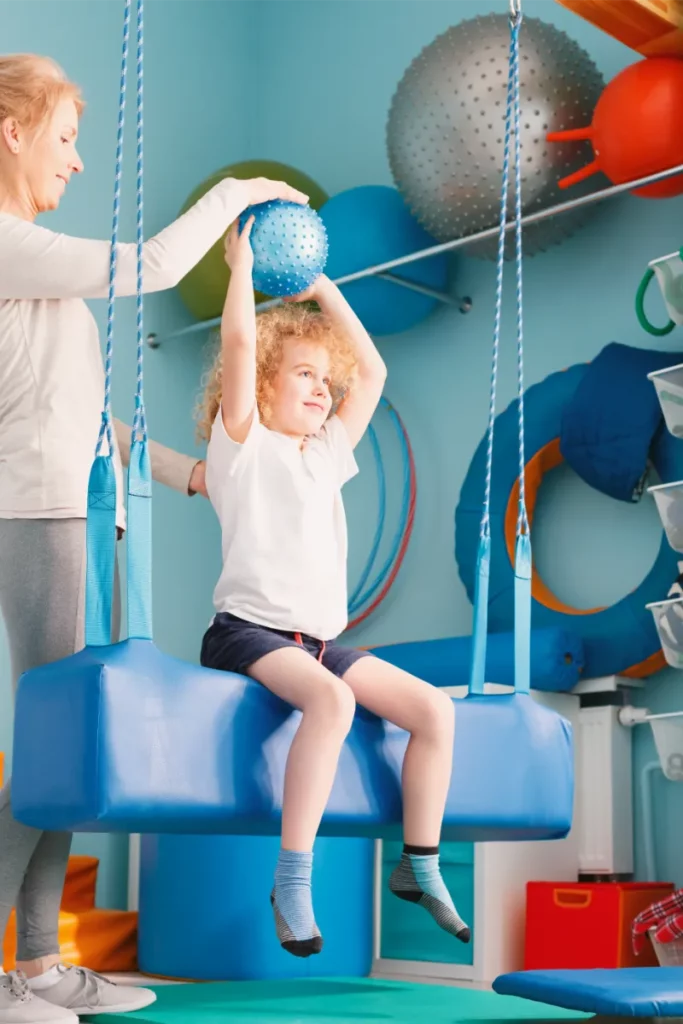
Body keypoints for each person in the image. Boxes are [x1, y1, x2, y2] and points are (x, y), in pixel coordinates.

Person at [0, 52, 309, 1023]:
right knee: (58, 751)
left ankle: (41, 966)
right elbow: (156, 266)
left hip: (75, 505)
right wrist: (239, 194)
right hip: (36, 514)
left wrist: (187, 471)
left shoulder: (35, 264)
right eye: (65, 137)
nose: (78, 161)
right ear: (11, 131)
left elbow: (78, 413)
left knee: (74, 748)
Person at [197, 216, 470, 959]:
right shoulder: (243, 445)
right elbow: (238, 344)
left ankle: (419, 864)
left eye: (324, 378)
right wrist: (240, 275)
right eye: (303, 375)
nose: (321, 389)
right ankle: (291, 878)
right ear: (261, 387)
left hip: (318, 640)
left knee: (432, 712)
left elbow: (374, 373)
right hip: (246, 632)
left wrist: (322, 290)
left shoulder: (326, 454)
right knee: (334, 701)